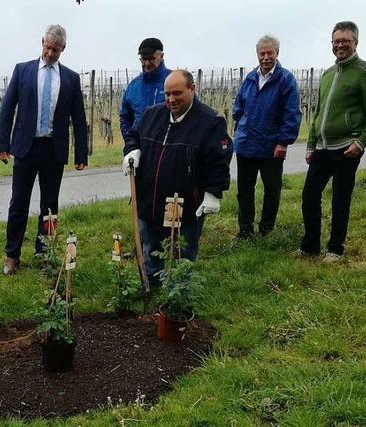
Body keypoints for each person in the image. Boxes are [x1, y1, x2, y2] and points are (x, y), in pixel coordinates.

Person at [122, 70, 233, 288]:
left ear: (192, 89)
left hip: (187, 206)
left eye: (177, 93)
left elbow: (219, 160)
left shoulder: (210, 122)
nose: (171, 100)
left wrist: (213, 193)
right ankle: (152, 288)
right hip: (150, 201)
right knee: (151, 248)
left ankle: (177, 296)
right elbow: (133, 136)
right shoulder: (151, 115)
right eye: (167, 94)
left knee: (182, 252)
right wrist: (132, 150)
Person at [0, 24, 88, 275]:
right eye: (48, 48)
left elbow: (78, 119)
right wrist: (2, 145)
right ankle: (12, 255)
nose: (50, 54)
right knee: (19, 203)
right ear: (42, 43)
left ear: (63, 49)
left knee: (50, 205)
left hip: (53, 149)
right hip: (26, 147)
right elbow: (7, 109)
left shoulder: (70, 78)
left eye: (56, 50)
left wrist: (81, 153)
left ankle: (44, 252)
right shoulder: (22, 71)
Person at [297, 21, 366, 263]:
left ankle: (335, 249)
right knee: (309, 195)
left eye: (345, 41)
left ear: (355, 42)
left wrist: (361, 142)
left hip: (347, 148)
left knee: (340, 199)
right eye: (336, 41)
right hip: (322, 148)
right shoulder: (327, 74)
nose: (340, 46)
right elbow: (318, 113)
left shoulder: (365, 72)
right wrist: (310, 144)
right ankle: (310, 245)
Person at [232, 35, 302, 238]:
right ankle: (245, 230)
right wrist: (241, 127)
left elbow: (291, 113)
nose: (265, 57)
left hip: (272, 146)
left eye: (269, 53)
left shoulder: (285, 80)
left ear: (277, 53)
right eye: (261, 53)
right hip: (246, 144)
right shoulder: (250, 78)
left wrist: (283, 141)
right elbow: (238, 106)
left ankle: (266, 229)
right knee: (245, 189)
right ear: (257, 55)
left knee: (271, 189)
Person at [119, 37, 171, 141]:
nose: (147, 63)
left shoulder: (175, 81)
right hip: (140, 148)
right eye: (144, 59)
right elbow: (125, 118)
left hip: (170, 147)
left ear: (161, 56)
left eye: (151, 58)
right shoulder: (133, 86)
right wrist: (130, 143)